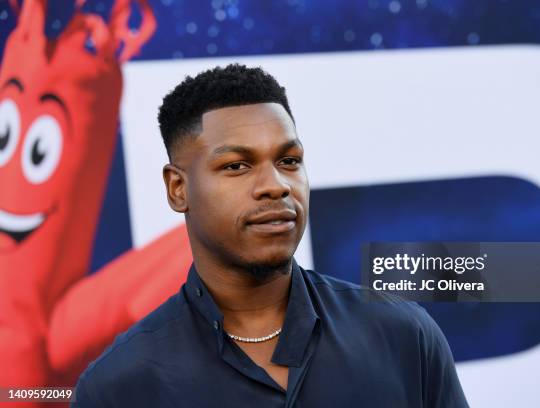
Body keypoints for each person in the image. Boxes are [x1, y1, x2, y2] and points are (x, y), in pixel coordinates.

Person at [72, 64, 469, 407]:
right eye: (237, 166)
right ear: (178, 189)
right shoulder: (118, 386)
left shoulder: (403, 336)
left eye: (289, 160)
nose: (276, 185)